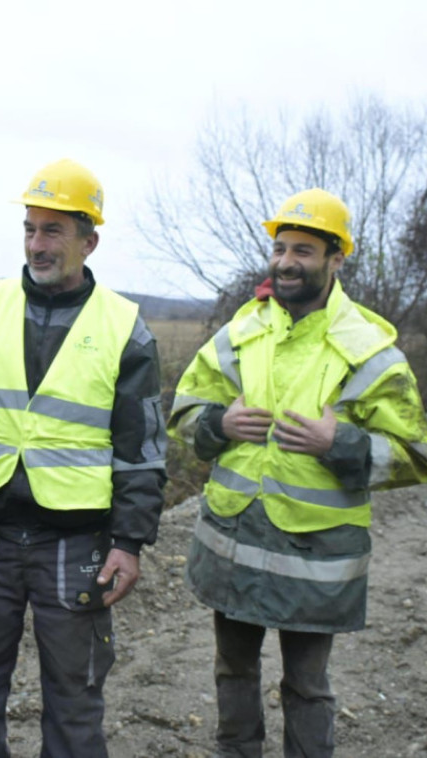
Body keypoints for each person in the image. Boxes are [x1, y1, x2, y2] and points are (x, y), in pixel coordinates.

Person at [0, 158, 168, 758]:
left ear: (90, 241)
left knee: (75, 693)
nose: (36, 244)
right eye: (30, 229)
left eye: (52, 230)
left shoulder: (124, 327)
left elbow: (142, 450)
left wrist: (130, 542)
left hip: (76, 542)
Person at [168, 188, 427, 757]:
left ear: (337, 259)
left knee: (307, 686)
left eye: (304, 250)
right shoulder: (240, 331)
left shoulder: (369, 348)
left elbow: (415, 453)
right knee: (232, 671)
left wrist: (343, 443)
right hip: (233, 543)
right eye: (281, 248)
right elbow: (183, 414)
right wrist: (220, 423)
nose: (286, 261)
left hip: (317, 555)